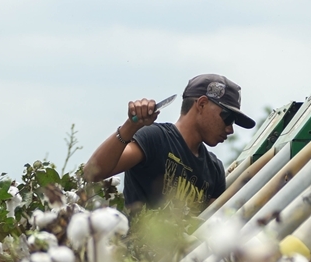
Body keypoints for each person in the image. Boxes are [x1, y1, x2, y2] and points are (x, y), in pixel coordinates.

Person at [83, 74, 255, 210]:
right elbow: (91, 173)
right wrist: (130, 127)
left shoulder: (214, 169)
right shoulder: (155, 139)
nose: (230, 129)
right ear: (201, 104)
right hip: (136, 253)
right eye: (228, 118)